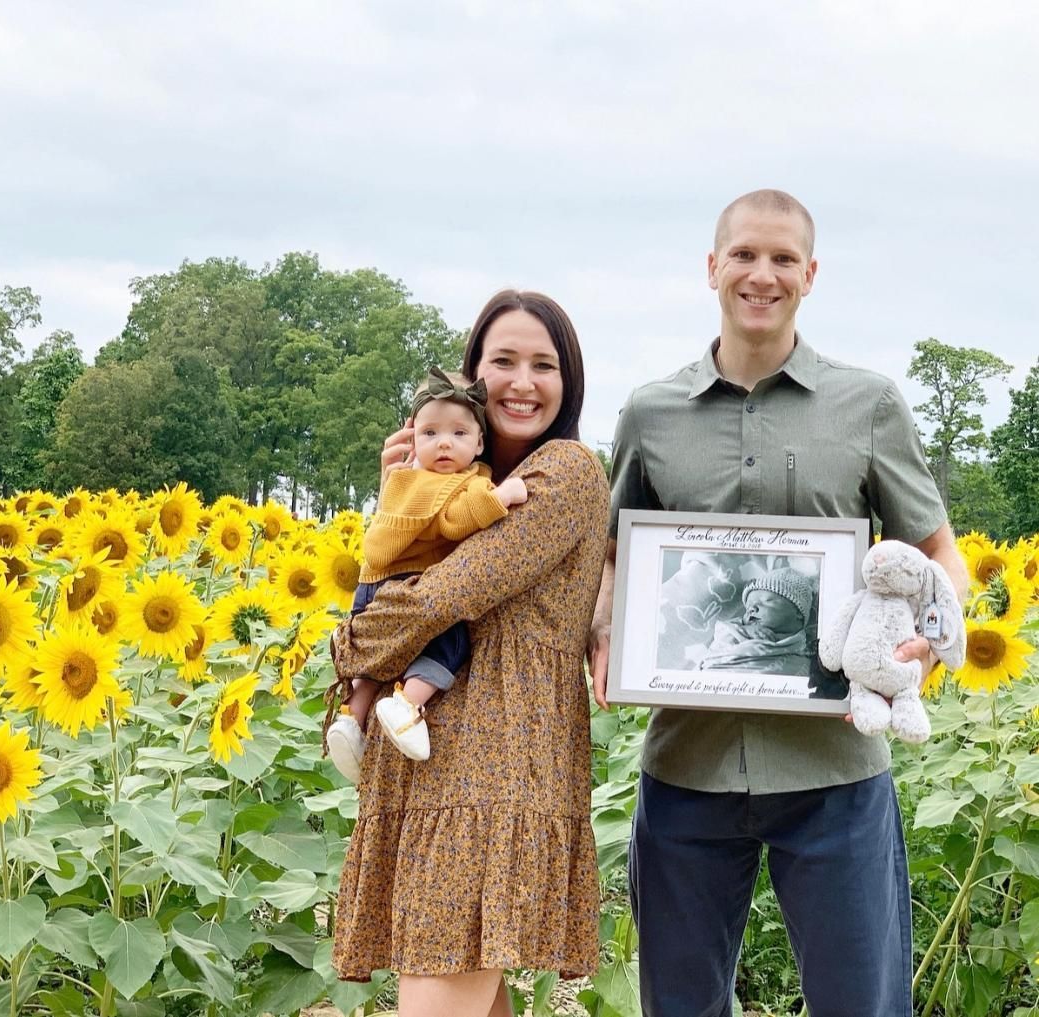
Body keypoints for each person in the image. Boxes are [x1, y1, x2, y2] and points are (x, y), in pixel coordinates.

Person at [589, 189, 969, 1017]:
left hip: (836, 768)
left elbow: (939, 553)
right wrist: (604, 630)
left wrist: (931, 643)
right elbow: (614, 554)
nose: (763, 274)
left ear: (811, 273)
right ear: (713, 266)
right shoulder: (651, 413)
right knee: (680, 1006)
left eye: (783, 258)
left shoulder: (868, 404)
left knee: (861, 1004)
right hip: (687, 766)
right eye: (746, 255)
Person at [330, 290, 610, 1017]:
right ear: (472, 378)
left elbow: (440, 595)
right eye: (503, 362)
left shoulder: (564, 472)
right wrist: (406, 494)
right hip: (430, 769)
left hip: (496, 770)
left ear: (568, 380)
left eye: (543, 364)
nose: (522, 381)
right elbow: (394, 567)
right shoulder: (461, 487)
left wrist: (349, 645)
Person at [326, 367, 528, 779]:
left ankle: (352, 714)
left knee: (379, 655)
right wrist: (501, 496)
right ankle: (408, 705)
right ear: (413, 439)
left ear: (479, 441)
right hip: (412, 584)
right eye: (431, 433)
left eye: (458, 433)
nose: (444, 444)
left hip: (368, 589)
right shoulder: (459, 481)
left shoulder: (401, 482)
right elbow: (456, 522)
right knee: (448, 644)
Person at [698, 567, 813, 675]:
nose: (752, 609)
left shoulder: (804, 648)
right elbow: (722, 636)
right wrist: (745, 631)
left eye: (766, 601)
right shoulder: (737, 629)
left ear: (798, 611)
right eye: (748, 607)